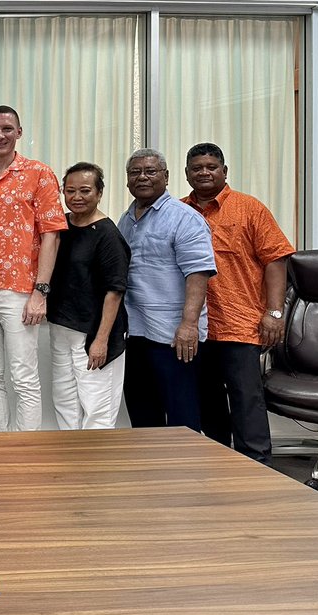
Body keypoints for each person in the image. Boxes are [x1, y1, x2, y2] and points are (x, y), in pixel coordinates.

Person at [182, 142, 294, 464]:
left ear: (224, 171)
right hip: (199, 327)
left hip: (241, 324)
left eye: (211, 167)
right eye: (197, 168)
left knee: (247, 399)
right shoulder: (178, 210)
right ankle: (221, 461)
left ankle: (257, 464)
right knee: (208, 399)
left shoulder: (249, 208)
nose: (204, 172)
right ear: (187, 174)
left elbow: (276, 260)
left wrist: (274, 313)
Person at [0, 105, 67, 431]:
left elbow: (51, 235)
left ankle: (25, 450)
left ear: (18, 133)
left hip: (20, 291)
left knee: (23, 375)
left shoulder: (39, 174)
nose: (0, 135)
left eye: (7, 129)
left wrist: (41, 292)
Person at [118, 148, 217, 431]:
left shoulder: (184, 218)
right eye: (135, 172)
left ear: (167, 177)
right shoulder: (126, 220)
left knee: (181, 415)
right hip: (136, 333)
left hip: (173, 337)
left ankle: (185, 474)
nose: (143, 177)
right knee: (143, 411)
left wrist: (188, 325)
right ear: (127, 181)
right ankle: (150, 473)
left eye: (151, 171)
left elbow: (198, 274)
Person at [46, 162, 131, 429]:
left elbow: (114, 291)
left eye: (85, 190)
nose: (77, 197)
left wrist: (101, 340)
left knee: (97, 408)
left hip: (94, 334)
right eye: (70, 191)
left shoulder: (108, 235)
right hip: (62, 329)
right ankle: (70, 465)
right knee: (65, 402)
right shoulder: (61, 227)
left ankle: (96, 468)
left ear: (99, 192)